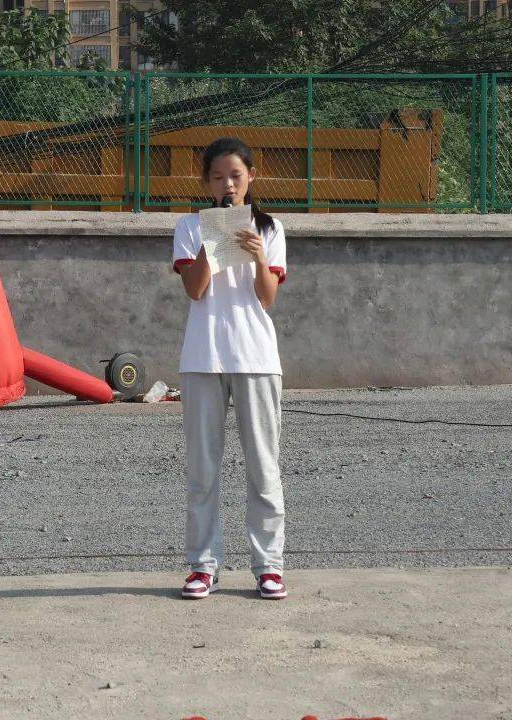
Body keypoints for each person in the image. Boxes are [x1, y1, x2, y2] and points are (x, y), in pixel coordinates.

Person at [172, 137, 289, 600]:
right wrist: (212, 242)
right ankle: (203, 565)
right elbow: (194, 290)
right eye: (218, 177)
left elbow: (267, 297)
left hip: (256, 357)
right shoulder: (188, 225)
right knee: (203, 468)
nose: (228, 185)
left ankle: (269, 566)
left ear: (251, 177)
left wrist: (258, 254)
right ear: (207, 181)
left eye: (236, 176)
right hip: (203, 357)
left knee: (264, 466)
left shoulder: (272, 227)